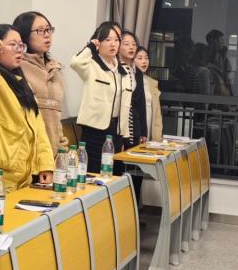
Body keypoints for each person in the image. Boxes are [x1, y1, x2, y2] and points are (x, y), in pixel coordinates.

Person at [0, 24, 54, 202]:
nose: (19, 50)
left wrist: (46, 165)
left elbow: (39, 129)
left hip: (20, 179)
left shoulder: (22, 84)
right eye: (12, 45)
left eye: (21, 45)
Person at [70, 21, 130, 176]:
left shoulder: (123, 71)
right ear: (99, 42)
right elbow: (75, 62)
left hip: (116, 130)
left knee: (115, 174)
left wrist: (125, 136)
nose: (113, 44)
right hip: (95, 129)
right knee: (93, 173)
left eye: (116, 40)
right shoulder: (91, 66)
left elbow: (125, 106)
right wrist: (90, 47)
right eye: (107, 40)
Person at [13, 11, 67, 152]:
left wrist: (60, 140)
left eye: (49, 30)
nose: (47, 35)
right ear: (24, 35)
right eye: (40, 31)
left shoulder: (55, 69)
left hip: (54, 149)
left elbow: (56, 113)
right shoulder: (18, 67)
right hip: (29, 150)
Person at [133, 46, 163, 141]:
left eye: (146, 58)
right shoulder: (130, 80)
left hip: (150, 128)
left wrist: (157, 138)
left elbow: (157, 115)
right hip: (134, 129)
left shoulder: (152, 83)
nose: (144, 61)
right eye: (140, 58)